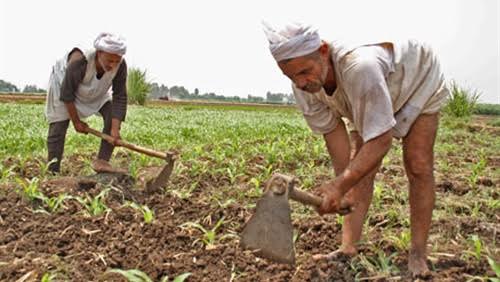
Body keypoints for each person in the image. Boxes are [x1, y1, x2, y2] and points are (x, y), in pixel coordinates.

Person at [263, 22, 449, 278]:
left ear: (324, 51)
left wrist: (340, 185)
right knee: (358, 166)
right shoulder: (303, 86)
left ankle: (418, 253)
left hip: (416, 79)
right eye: (291, 76)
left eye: (305, 71)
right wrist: (344, 187)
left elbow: (381, 140)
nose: (300, 82)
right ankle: (348, 247)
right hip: (368, 93)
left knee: (418, 164)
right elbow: (334, 135)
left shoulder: (359, 67)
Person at [45, 32, 128, 174]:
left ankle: (102, 162)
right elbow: (67, 93)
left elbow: (120, 96)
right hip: (63, 86)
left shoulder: (120, 66)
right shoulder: (80, 60)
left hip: (95, 90)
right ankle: (52, 171)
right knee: (58, 126)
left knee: (111, 113)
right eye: (109, 60)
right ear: (99, 53)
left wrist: (114, 131)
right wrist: (76, 122)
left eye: (117, 61)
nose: (113, 65)